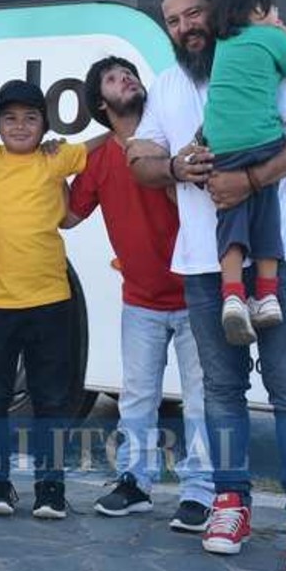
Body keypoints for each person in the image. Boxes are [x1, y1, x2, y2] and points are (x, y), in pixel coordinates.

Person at [128, 0, 286, 571]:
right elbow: (139, 157)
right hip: (202, 266)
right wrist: (171, 164)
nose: (186, 27)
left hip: (281, 257)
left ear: (215, 15)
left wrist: (250, 179)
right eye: (174, 21)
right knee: (220, 392)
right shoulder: (166, 86)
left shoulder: (257, 56)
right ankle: (229, 502)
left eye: (194, 14)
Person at [61, 56, 215, 532]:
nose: (125, 78)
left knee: (202, 400)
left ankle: (201, 492)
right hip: (141, 298)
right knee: (137, 398)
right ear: (101, 102)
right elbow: (68, 216)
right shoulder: (99, 157)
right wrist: (41, 167)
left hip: (195, 294)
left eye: (127, 72)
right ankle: (135, 482)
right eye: (111, 76)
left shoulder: (173, 138)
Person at [0, 79, 88, 520]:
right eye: (10, 118)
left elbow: (102, 144)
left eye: (31, 118)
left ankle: (50, 487)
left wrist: (62, 145)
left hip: (50, 299)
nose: (20, 126)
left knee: (52, 398)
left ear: (45, 125)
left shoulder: (55, 159)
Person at [201, 0, 286, 346]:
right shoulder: (272, 38)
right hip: (262, 139)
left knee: (230, 217)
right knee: (266, 210)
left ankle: (233, 295)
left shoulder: (222, 43)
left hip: (221, 143)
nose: (276, 14)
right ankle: (266, 295)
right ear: (257, 9)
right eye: (271, 8)